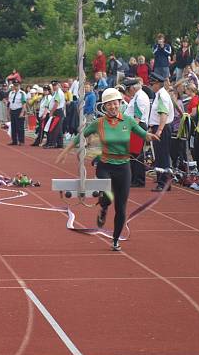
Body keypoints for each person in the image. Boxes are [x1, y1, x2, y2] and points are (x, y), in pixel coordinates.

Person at [57, 88, 159, 251]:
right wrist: (65, 151)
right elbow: (80, 136)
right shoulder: (98, 123)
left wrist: (151, 135)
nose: (112, 106)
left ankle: (116, 239)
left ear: (120, 104)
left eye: (115, 103)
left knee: (121, 207)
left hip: (124, 167)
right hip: (105, 166)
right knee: (108, 194)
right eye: (109, 104)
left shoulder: (128, 121)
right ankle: (104, 207)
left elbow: (142, 134)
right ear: (104, 106)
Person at [147, 73, 176, 191]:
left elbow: (163, 114)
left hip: (162, 128)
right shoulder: (160, 94)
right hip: (161, 127)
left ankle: (163, 183)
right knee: (160, 156)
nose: (151, 86)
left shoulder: (161, 96)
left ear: (158, 84)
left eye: (152, 84)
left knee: (162, 156)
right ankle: (164, 181)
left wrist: (159, 130)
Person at [7, 81, 26, 145]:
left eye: (17, 85)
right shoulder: (11, 93)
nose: (16, 87)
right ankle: (14, 141)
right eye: (15, 85)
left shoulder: (22, 93)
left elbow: (24, 104)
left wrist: (22, 113)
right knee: (13, 126)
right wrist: (8, 112)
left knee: (20, 127)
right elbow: (10, 103)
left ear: (19, 86)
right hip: (13, 110)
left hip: (19, 110)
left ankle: (21, 141)